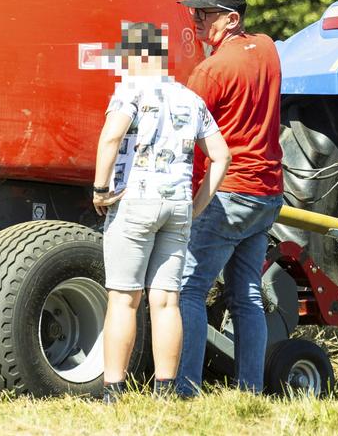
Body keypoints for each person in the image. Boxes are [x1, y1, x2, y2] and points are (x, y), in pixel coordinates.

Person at [92, 21, 231, 402]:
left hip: (134, 201)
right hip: (177, 205)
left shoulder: (131, 90)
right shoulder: (189, 98)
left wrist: (100, 188)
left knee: (124, 298)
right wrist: (198, 203)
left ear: (138, 56)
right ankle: (166, 390)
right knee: (166, 300)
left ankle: (113, 390)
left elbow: (111, 137)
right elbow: (221, 156)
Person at [176, 0, 284, 396]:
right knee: (247, 296)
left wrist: (189, 199)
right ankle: (250, 390)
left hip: (228, 194)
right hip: (267, 193)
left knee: (189, 289)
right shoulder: (269, 49)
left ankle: (184, 388)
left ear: (232, 18)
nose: (196, 21)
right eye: (194, 12)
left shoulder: (211, 72)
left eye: (204, 14)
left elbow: (188, 142)